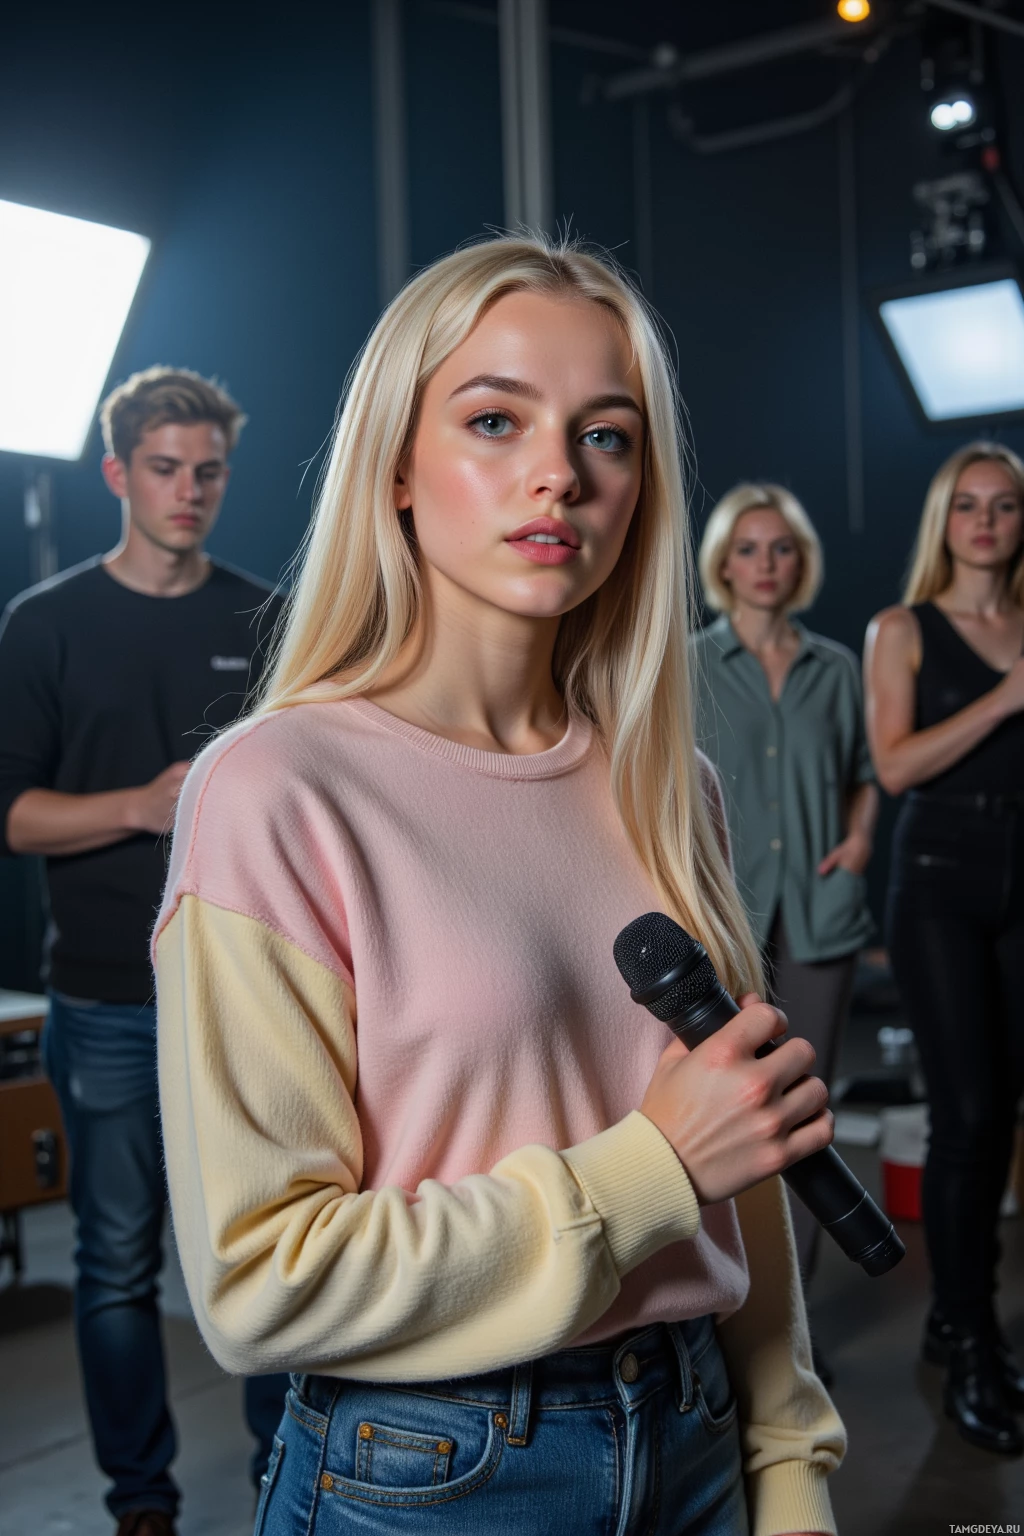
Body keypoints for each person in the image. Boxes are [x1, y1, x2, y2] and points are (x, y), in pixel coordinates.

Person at [154, 238, 844, 1536]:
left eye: (607, 436)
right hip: (433, 1471)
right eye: (493, 418)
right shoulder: (279, 793)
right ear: (397, 467)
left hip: (695, 1442)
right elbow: (261, 1283)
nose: (557, 475)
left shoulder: (664, 776)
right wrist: (651, 1167)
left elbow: (740, 1146)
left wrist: (791, 1461)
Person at [0, 368, 289, 1536]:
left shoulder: (264, 614)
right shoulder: (46, 624)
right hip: (110, 1000)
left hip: (244, 995)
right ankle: (141, 1501)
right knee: (117, 1266)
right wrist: (138, 805)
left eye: (208, 471)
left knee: (269, 1250)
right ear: (120, 475)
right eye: (164, 470)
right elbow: (11, 814)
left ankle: (289, 1475)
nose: (188, 492)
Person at [865, 442, 1024, 1457]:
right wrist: (1008, 695)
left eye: (1002, 506)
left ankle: (949, 1314)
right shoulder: (902, 628)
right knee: (966, 1113)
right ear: (943, 521)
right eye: (965, 505)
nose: (983, 521)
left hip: (1023, 877)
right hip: (936, 884)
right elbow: (892, 764)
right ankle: (971, 1339)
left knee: (1003, 1107)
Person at [691, 485, 878, 1304]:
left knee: (806, 1115)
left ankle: (792, 1323)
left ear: (800, 564)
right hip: (726, 914)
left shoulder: (837, 669)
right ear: (722, 564)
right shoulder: (688, 662)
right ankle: (731, 1305)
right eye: (748, 549)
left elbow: (870, 772)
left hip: (818, 908)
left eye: (782, 549)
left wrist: (862, 835)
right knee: (728, 1110)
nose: (765, 565)